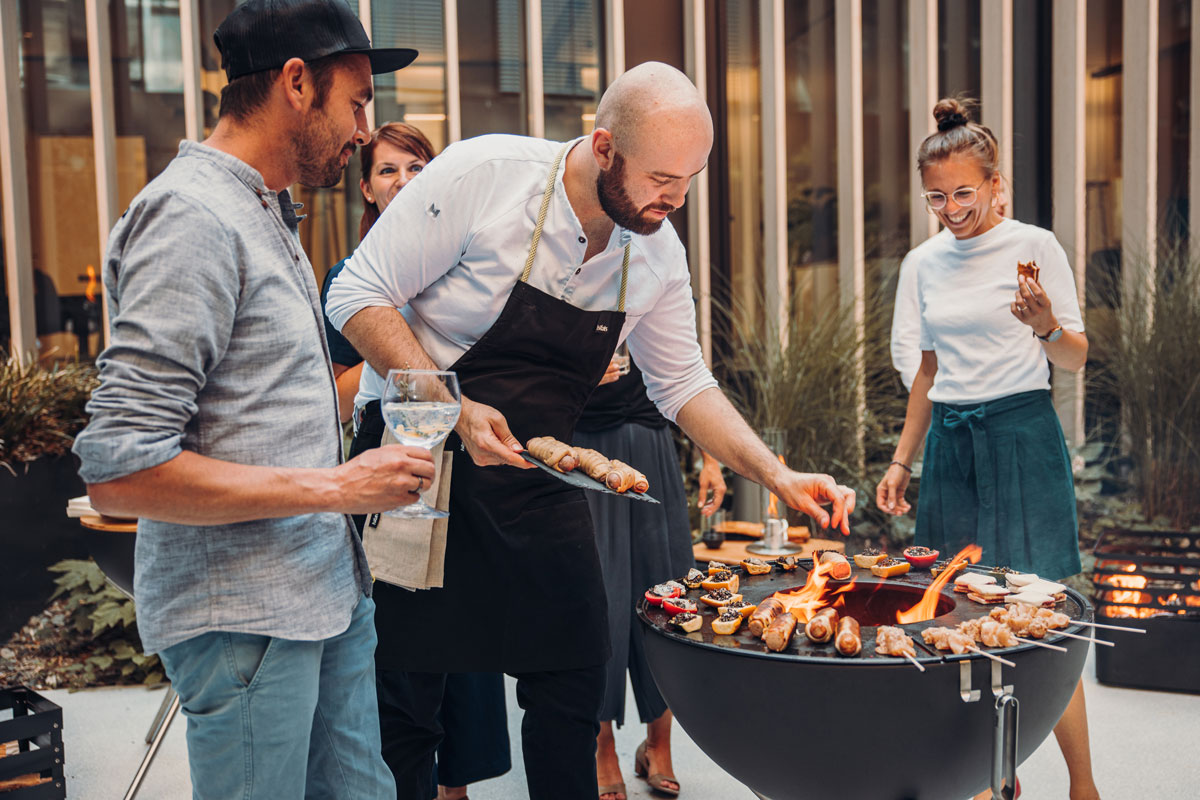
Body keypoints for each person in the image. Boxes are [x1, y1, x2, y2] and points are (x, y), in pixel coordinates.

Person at [326, 60, 855, 800]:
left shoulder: (657, 252)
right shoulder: (486, 175)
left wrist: (775, 473)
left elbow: (683, 384)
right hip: (418, 462)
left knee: (575, 668)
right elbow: (356, 293)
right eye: (661, 178)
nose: (674, 198)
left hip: (533, 465)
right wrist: (452, 405)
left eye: (689, 180)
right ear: (604, 147)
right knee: (409, 698)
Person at [70, 2, 433, 797]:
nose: (366, 129)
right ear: (297, 84)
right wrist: (340, 488)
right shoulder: (191, 218)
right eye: (357, 100)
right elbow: (119, 472)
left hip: (323, 597)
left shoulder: (265, 205)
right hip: (245, 619)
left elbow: (261, 405)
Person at [875, 98, 1100, 800]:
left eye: (964, 193)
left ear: (996, 184)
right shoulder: (923, 263)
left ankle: (1084, 785)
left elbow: (1075, 358)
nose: (950, 208)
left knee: (1043, 620)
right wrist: (901, 461)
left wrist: (1043, 325)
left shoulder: (1036, 247)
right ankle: (992, 779)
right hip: (951, 447)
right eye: (936, 197)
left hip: (1021, 439)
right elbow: (929, 371)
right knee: (960, 615)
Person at [319, 121, 512, 800]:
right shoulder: (355, 275)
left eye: (415, 167)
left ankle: (455, 786)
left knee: (465, 644)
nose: (402, 181)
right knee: (405, 652)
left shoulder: (462, 255)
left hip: (470, 448)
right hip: (394, 443)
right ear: (366, 187)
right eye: (387, 170)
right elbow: (334, 390)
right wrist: (396, 351)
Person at [578, 359, 726, 800]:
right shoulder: (555, 288)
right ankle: (602, 748)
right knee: (598, 596)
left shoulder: (658, 285)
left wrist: (710, 458)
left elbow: (687, 368)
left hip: (652, 445)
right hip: (585, 446)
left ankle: (659, 746)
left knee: (667, 595)